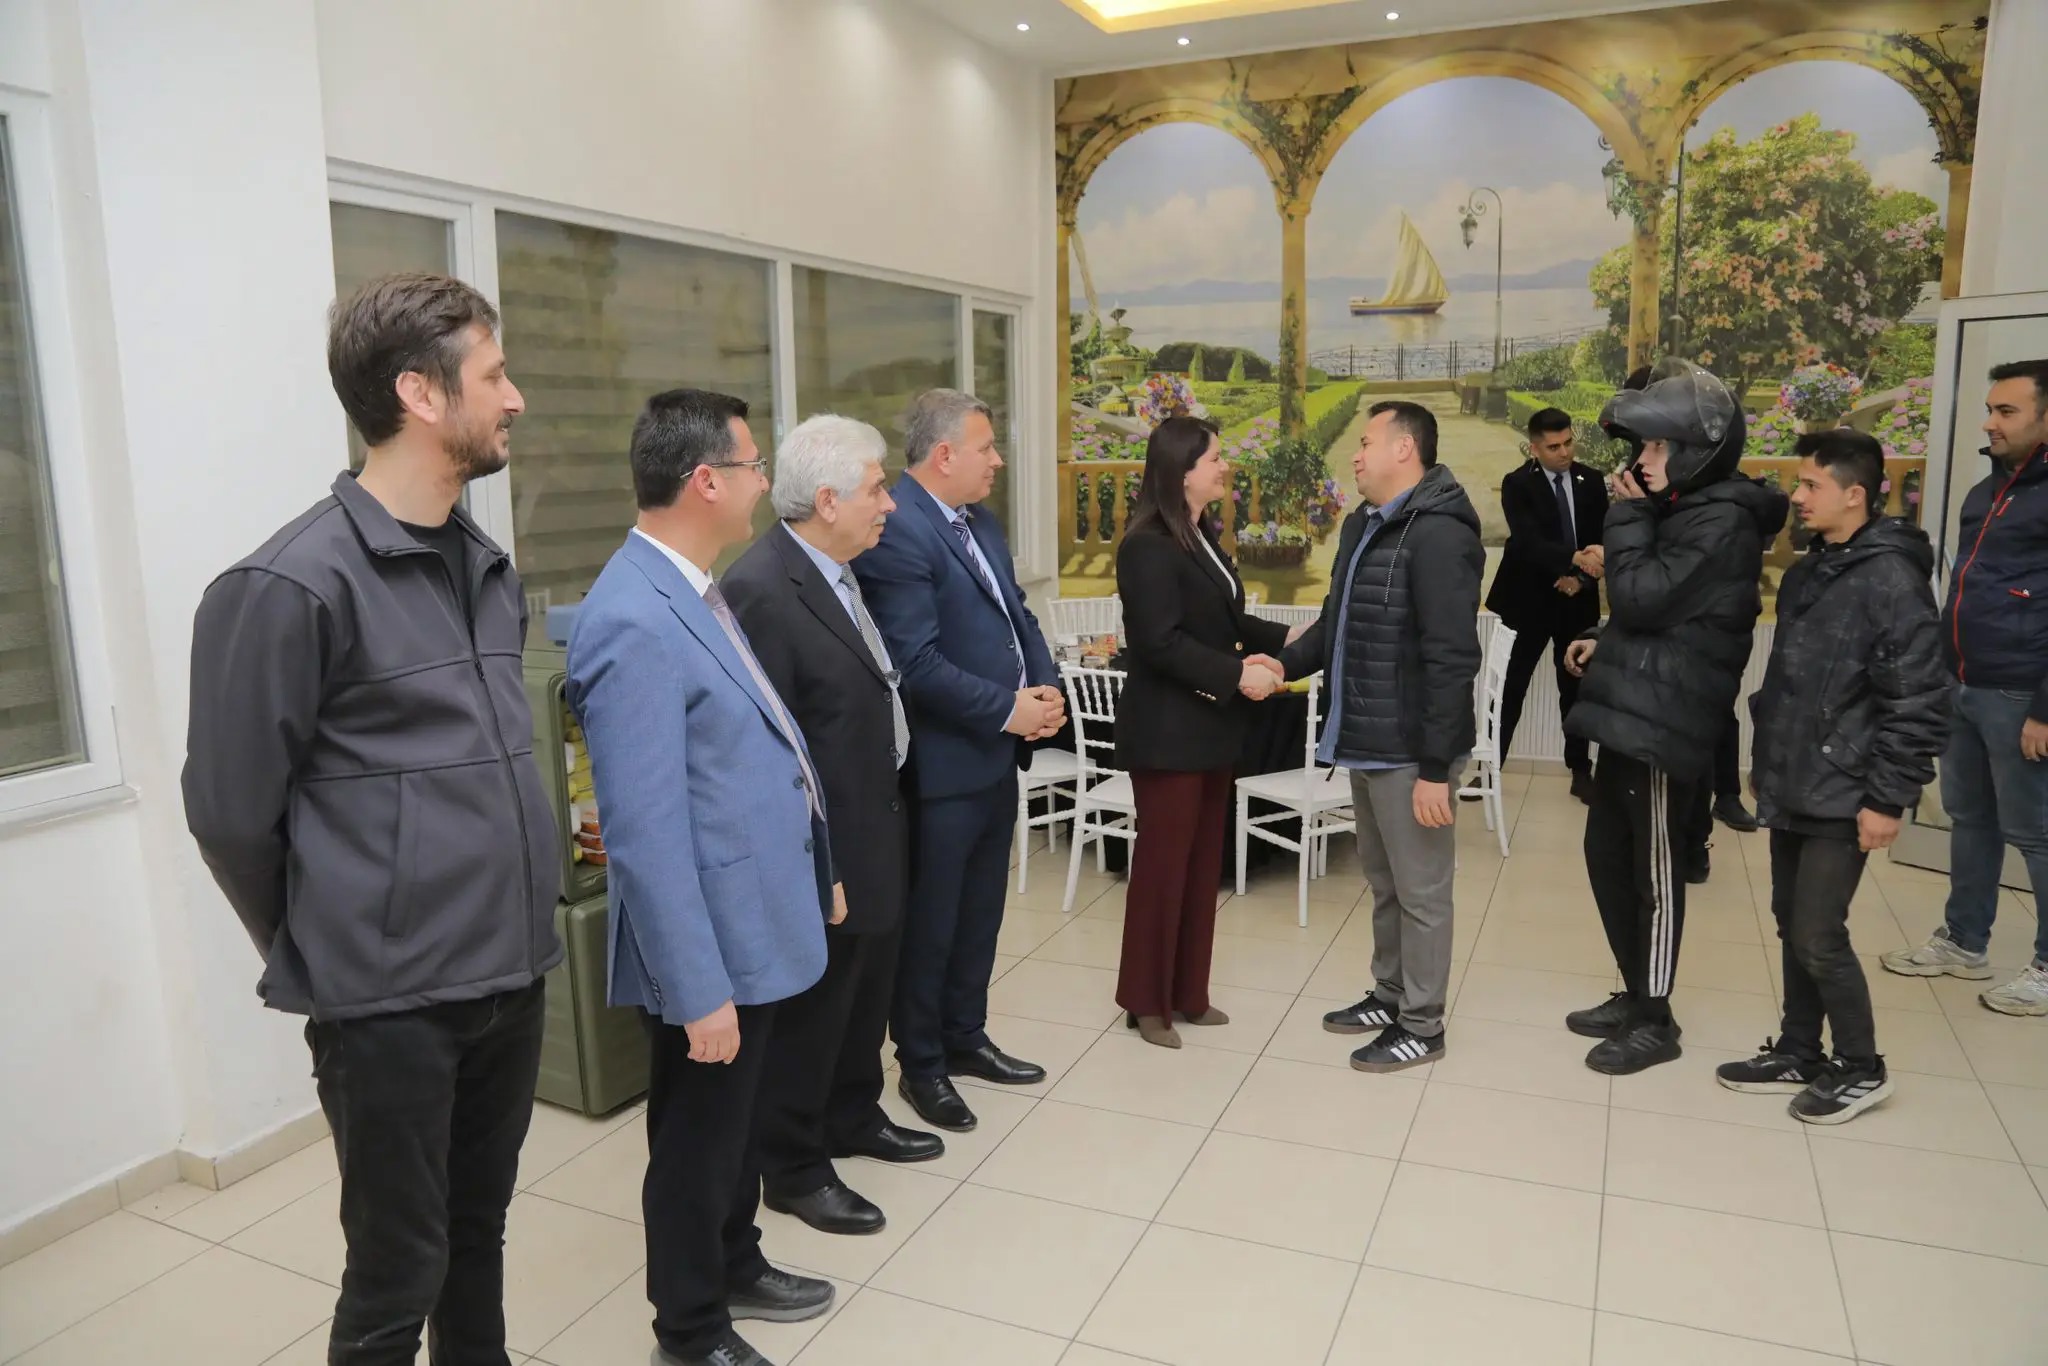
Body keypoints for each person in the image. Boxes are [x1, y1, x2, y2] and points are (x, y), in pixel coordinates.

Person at [182, 273, 563, 1366]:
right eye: (494, 375)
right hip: (391, 1005)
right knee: (397, 1271)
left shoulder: (485, 566)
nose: (515, 398)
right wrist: (337, 940)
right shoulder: (289, 585)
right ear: (420, 394)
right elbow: (229, 816)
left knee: (478, 1234)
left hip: (509, 974)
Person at [567, 390, 837, 1366]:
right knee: (694, 1141)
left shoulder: (691, 588)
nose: (765, 481)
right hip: (708, 945)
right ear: (705, 481)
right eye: (754, 464)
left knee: (734, 1126)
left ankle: (736, 1260)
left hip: (751, 917)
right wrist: (697, 989)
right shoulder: (632, 617)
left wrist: (817, 867)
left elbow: (752, 748)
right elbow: (642, 835)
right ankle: (688, 1328)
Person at [720, 415, 944, 1237]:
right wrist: (821, 865)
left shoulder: (843, 570)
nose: (890, 503)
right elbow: (766, 751)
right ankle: (795, 1167)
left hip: (875, 817)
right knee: (812, 1015)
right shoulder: (762, 589)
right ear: (826, 500)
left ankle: (854, 1113)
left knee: (864, 992)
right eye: (877, 489)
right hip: (824, 844)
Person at [1561, 360, 1788, 1074]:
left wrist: (1626, 516)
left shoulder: (1721, 518)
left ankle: (1655, 1018)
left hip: (1663, 724)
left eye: (1658, 446)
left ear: (1697, 450)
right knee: (1606, 855)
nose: (1643, 461)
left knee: (1653, 872)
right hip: (1636, 710)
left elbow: (1644, 597)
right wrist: (1601, 639)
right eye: (1644, 446)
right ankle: (1636, 992)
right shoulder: (1686, 509)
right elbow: (1658, 615)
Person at [1717, 430, 1949, 1123]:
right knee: (1792, 921)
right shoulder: (1811, 570)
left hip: (1848, 788)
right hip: (1796, 778)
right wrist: (1767, 762)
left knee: (1819, 931)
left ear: (1855, 494)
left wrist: (1888, 797)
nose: (1797, 496)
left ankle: (1861, 1066)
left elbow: (1916, 699)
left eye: (1811, 485)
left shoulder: (1892, 579)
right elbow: (1790, 683)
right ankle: (1799, 1049)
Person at [853, 389, 1063, 1133]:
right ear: (944, 455)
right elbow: (915, 662)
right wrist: (1009, 708)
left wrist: (1046, 689)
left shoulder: (981, 523)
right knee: (933, 924)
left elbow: (1018, 616)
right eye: (987, 448)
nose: (997, 461)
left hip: (995, 756)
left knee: (980, 914)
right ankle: (922, 1064)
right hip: (941, 769)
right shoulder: (899, 530)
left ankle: (966, 1036)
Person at [1275, 401, 1483, 1071]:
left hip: (1411, 751)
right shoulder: (1364, 525)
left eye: (1366, 442)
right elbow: (1334, 624)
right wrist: (1281, 667)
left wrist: (1434, 769)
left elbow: (1452, 658)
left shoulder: (1440, 534)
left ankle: (1422, 1024)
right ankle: (1390, 994)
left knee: (1422, 893)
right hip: (1366, 737)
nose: (1356, 455)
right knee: (1386, 883)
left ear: (1404, 449)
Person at [1111, 416, 1296, 1049]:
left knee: (1200, 869)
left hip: (1210, 728)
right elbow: (1158, 642)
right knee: (1162, 872)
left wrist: (1289, 638)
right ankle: (1146, 1002)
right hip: (1168, 736)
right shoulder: (1146, 544)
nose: (1224, 467)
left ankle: (1190, 993)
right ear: (1181, 469)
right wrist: (1237, 675)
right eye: (1214, 458)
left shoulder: (1199, 534)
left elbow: (1225, 621)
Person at [1884, 358, 2048, 1015]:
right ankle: (1964, 941)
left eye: (2007, 411)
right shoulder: (1989, 489)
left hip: (2021, 693)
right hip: (1963, 682)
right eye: (1990, 409)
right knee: (1971, 817)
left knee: (2036, 833)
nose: (1989, 422)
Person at [1485, 405, 1608, 803]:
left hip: (1577, 603)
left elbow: (1601, 539)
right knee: (1510, 689)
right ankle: (1489, 770)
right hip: (1528, 601)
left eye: (1569, 442)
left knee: (1576, 689)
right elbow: (1527, 541)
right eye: (1554, 446)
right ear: (1534, 449)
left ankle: (1581, 771)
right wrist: (1570, 561)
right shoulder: (1517, 483)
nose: (1565, 452)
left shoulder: (1592, 481)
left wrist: (1581, 578)